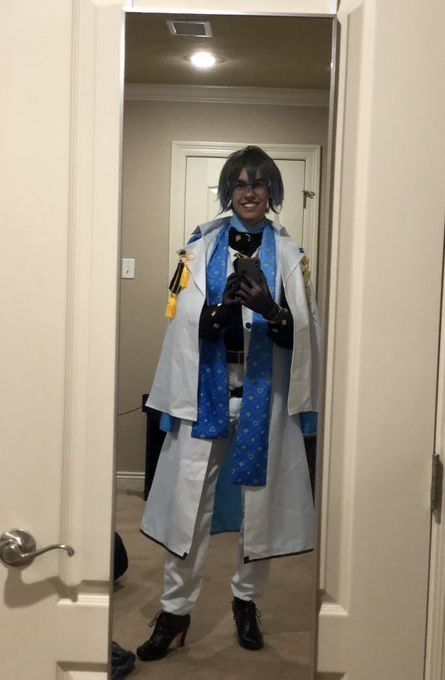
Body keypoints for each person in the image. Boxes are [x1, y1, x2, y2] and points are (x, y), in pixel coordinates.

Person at [136, 146, 320, 661]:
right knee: (187, 506)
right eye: (240, 183)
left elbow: (305, 334)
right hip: (206, 395)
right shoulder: (199, 249)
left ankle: (245, 602)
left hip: (265, 396)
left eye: (259, 183)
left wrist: (272, 311)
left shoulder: (291, 256)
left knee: (259, 505)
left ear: (272, 191)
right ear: (228, 191)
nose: (249, 192)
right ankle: (174, 611)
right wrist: (212, 317)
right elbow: (180, 325)